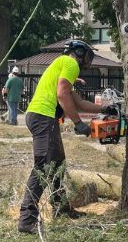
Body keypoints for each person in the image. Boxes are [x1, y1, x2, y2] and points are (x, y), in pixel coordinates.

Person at [17, 40, 111, 235]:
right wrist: (77, 123)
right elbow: (62, 95)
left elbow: (80, 103)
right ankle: (27, 220)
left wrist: (106, 108)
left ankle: (60, 208)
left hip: (43, 117)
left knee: (58, 164)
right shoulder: (70, 64)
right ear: (80, 53)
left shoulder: (63, 66)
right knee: (44, 166)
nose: (88, 61)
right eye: (87, 56)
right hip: (43, 116)